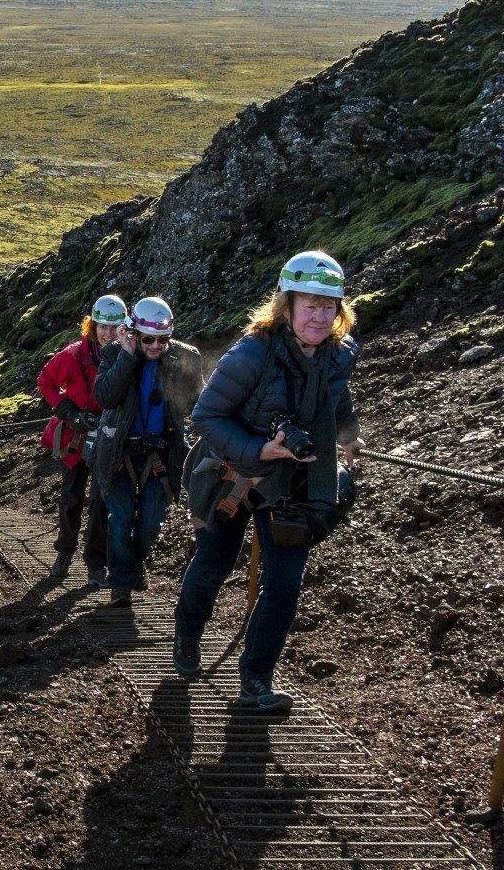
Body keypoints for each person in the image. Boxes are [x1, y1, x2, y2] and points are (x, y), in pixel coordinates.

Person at [173, 250, 363, 714]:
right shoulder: (253, 352)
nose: (320, 315)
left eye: (328, 306)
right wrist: (260, 450)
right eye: (310, 304)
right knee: (214, 565)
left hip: (293, 482)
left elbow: (337, 399)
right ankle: (187, 636)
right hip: (231, 477)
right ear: (287, 304)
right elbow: (206, 417)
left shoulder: (339, 355)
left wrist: (350, 434)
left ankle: (256, 678)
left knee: (284, 583)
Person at [90, 297, 204, 606]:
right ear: (134, 333)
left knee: (152, 520)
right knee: (121, 518)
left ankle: (133, 565)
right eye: (148, 339)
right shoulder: (114, 353)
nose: (156, 345)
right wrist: (127, 357)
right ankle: (121, 584)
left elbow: (202, 402)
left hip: (161, 453)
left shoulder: (183, 358)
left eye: (162, 339)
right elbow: (104, 397)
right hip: (119, 452)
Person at [37, 294, 126, 584]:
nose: (108, 333)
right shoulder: (73, 355)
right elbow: (46, 381)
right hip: (76, 437)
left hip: (108, 438)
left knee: (101, 501)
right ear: (93, 325)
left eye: (114, 328)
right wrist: (68, 412)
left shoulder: (125, 358)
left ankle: (96, 564)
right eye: (103, 326)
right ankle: (64, 552)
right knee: (71, 496)